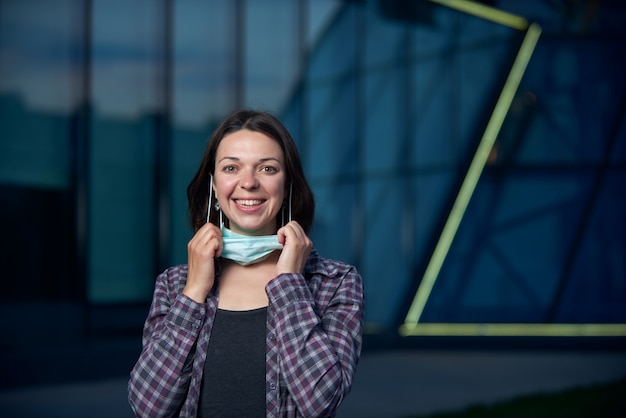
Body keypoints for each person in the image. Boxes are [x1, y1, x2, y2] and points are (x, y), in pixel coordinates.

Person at [128, 109, 365, 417]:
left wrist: (290, 284)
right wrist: (195, 291)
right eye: (231, 168)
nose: (248, 183)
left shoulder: (336, 283)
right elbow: (148, 407)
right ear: (214, 186)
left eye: (267, 169)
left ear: (287, 184)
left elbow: (320, 402)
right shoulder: (174, 286)